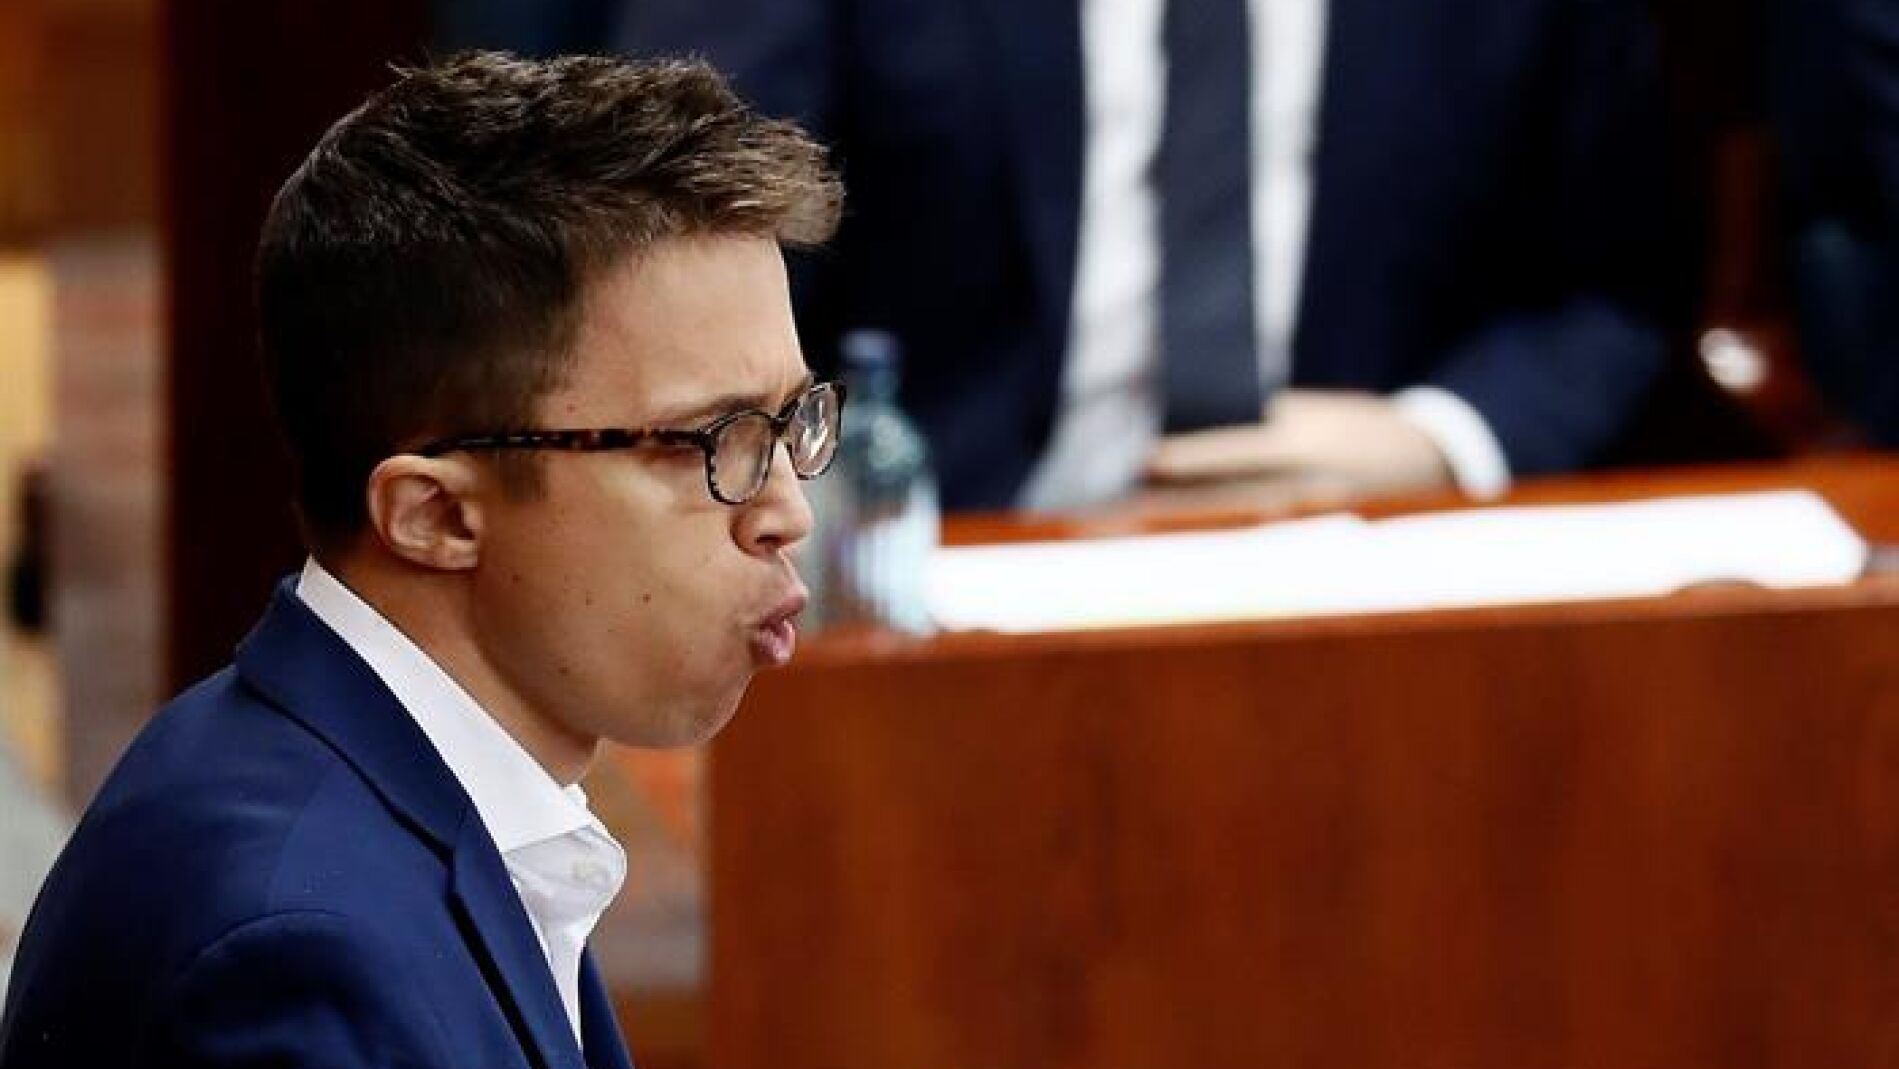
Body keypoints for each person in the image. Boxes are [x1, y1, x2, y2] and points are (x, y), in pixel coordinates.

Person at [0, 51, 842, 1068]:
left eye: (790, 420)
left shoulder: (381, 787)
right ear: (434, 515)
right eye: (708, 441)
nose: (786, 511)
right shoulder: (298, 959)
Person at [618, 0, 1677, 511]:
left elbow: (1620, 287)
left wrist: (1443, 438)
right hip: (932, 555)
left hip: (1365, 554)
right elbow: (667, 241)